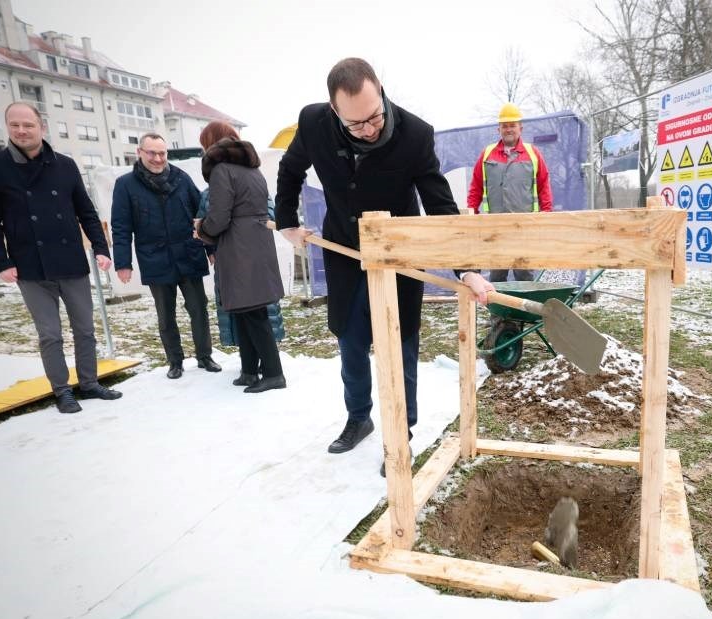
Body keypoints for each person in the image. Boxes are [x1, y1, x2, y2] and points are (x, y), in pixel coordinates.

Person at [275, 57, 491, 473]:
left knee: (400, 345)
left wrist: (467, 267)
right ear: (335, 111)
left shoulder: (414, 135)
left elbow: (440, 204)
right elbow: (291, 168)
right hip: (344, 253)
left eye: (374, 117)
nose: (370, 129)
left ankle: (401, 434)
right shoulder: (313, 123)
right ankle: (359, 419)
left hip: (398, 258)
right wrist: (286, 219)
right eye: (356, 124)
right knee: (351, 343)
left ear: (381, 92)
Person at [0, 102, 122, 413]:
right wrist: (1, 262)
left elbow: (86, 211)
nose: (21, 130)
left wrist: (100, 247)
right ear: (8, 127)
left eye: (28, 124)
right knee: (50, 334)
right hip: (30, 267)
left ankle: (89, 383)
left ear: (41, 127)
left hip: (70, 261)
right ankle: (62, 391)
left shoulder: (65, 165)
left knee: (84, 329)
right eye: (14, 125)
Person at [111, 132, 220, 379]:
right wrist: (123, 262)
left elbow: (201, 216)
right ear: (139, 153)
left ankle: (204, 356)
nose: (158, 158)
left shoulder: (182, 179)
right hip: (155, 258)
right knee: (165, 315)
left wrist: (210, 249)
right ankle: (175, 360)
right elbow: (121, 226)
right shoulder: (125, 185)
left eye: (162, 153)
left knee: (198, 308)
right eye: (152, 153)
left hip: (188, 255)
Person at [196, 121, 286, 394]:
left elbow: (219, 216)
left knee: (253, 314)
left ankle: (273, 373)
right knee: (246, 311)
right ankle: (249, 370)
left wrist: (202, 229)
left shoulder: (222, 171)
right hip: (255, 244)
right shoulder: (252, 169)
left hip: (239, 247)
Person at [465, 102, 553, 282]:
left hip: (524, 226)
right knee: (497, 275)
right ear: (499, 129)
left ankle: (525, 310)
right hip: (495, 226)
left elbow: (544, 184)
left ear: (520, 128)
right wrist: (471, 212)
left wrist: (546, 215)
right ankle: (498, 311)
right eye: (504, 126)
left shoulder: (533, 153)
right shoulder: (487, 154)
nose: (508, 129)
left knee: (524, 274)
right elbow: (476, 186)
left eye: (512, 125)